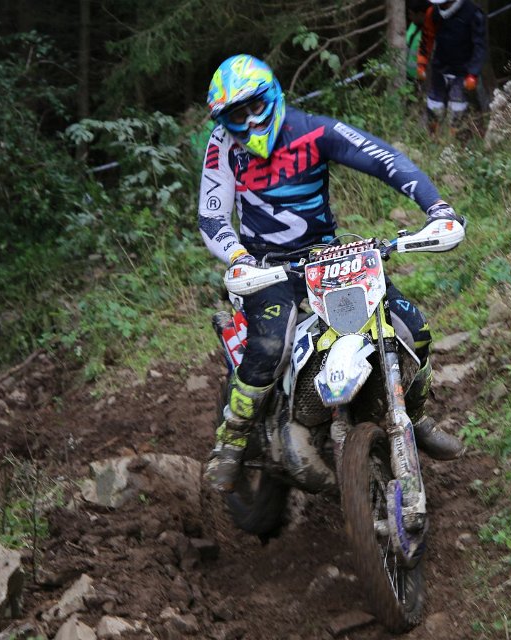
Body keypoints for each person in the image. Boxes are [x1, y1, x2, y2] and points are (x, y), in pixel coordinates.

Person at [198, 54, 465, 492]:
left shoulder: (313, 131)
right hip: (264, 266)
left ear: (272, 96)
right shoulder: (223, 144)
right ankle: (232, 439)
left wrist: (437, 208)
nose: (249, 122)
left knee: (412, 329)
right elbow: (212, 216)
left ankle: (413, 417)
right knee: (269, 347)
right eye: (236, 115)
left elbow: (385, 159)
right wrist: (238, 257)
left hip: (327, 256)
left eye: (255, 107)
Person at [412, 0, 487, 127]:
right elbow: (427, 37)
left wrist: (473, 73)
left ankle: (454, 135)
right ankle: (433, 134)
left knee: (457, 107)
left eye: (444, 4)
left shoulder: (473, 13)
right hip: (439, 66)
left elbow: (479, 47)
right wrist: (422, 62)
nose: (440, 6)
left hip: (463, 70)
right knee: (434, 105)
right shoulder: (433, 12)